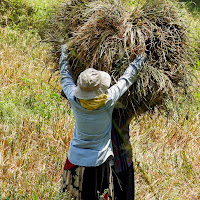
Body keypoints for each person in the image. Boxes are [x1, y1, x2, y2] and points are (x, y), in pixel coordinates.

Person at [59, 44, 146, 200]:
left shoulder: (73, 98)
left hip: (75, 160)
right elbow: (127, 78)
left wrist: (65, 51)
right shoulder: (108, 101)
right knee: (99, 195)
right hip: (99, 163)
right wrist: (140, 57)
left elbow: (64, 74)